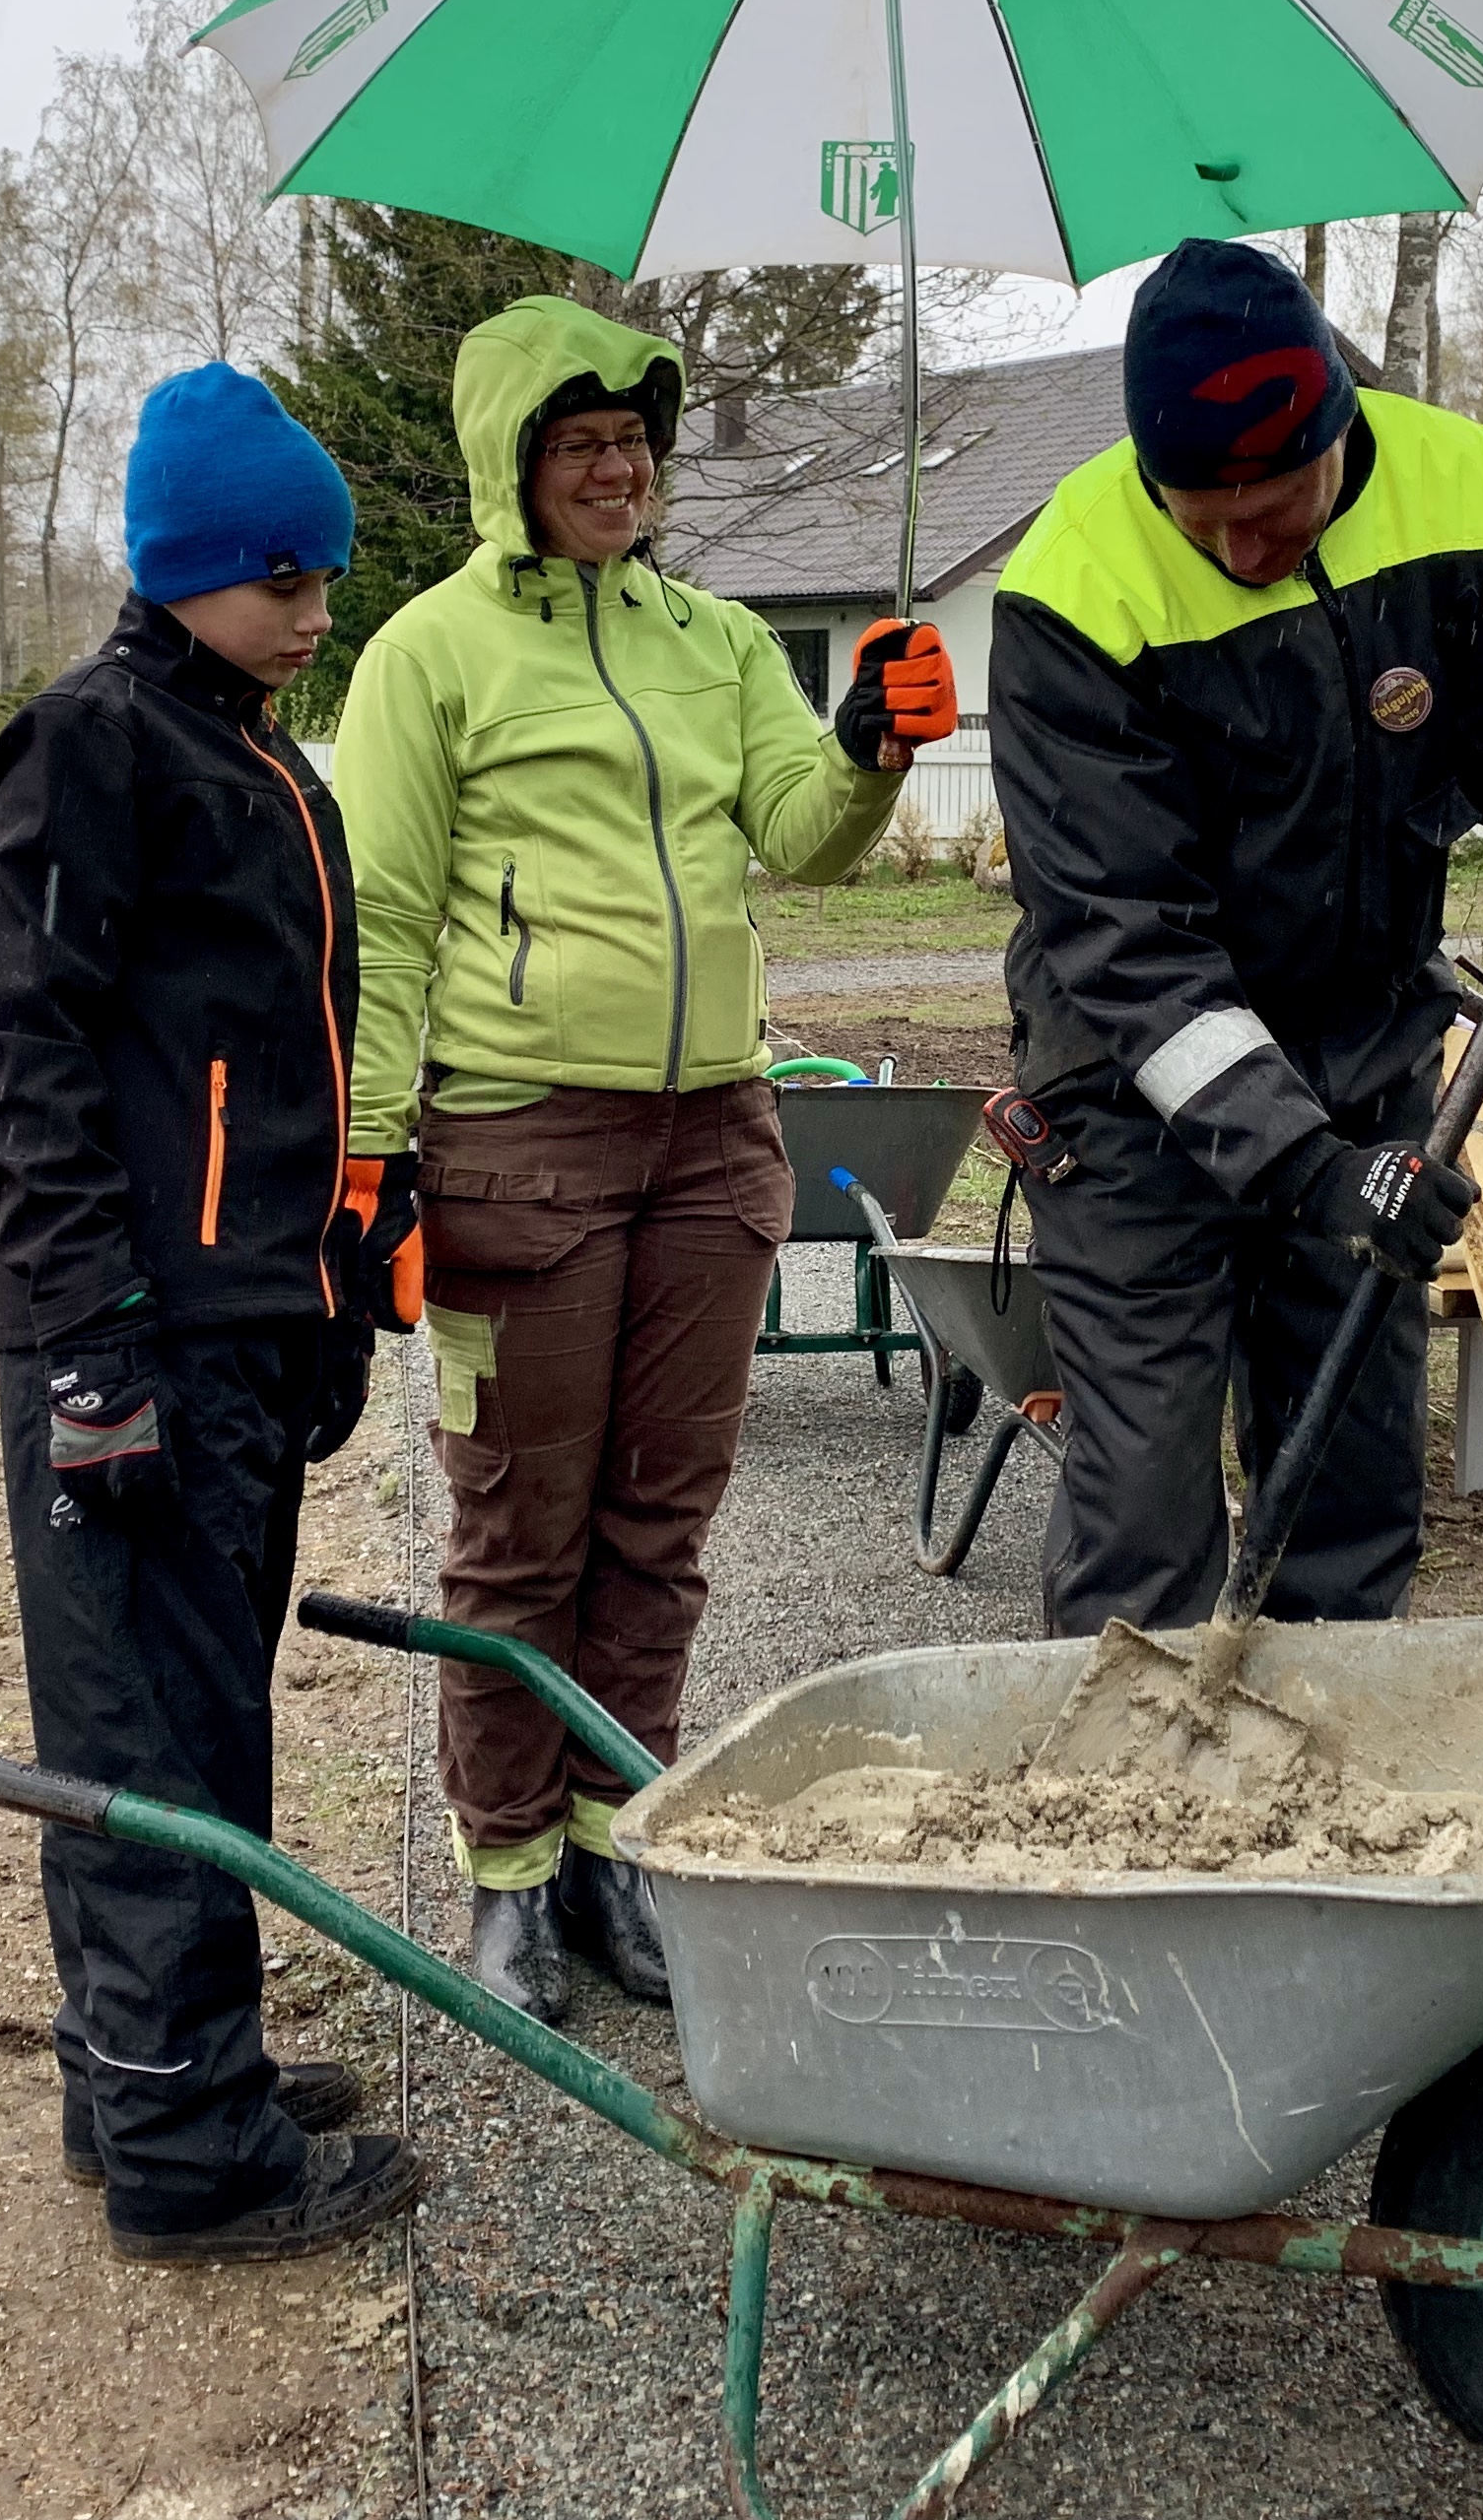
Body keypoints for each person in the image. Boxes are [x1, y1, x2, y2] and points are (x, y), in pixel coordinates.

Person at [333, 296, 953, 2025]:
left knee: (660, 1528)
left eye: (635, 442)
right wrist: (370, 1157)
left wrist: (869, 746)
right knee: (519, 1532)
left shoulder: (720, 642)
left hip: (713, 1138)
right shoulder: (431, 657)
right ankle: (510, 1879)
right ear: (510, 464)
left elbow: (800, 842)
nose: (619, 471)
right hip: (517, 1144)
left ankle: (620, 1845)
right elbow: (382, 919)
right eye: (580, 444)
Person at [986, 239, 1483, 1643]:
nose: (1244, 555)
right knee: (1142, 1511)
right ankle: (1132, 1773)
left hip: (1365, 1051)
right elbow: (1125, 941)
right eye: (1205, 524)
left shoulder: (1465, 487)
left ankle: (1324, 1760)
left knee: (1352, 1486)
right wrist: (1309, 1168)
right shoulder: (1072, 588)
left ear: (1340, 428)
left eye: (1276, 513)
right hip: (1133, 1099)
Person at [0, 362, 425, 2265]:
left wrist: (328, 1296)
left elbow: (276, 1062)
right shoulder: (90, 745)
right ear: (190, 567)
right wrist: (93, 1335)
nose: (315, 614)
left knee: (199, 1717)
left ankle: (148, 2072)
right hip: (133, 1329)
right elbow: (29, 1053)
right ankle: (189, 2157)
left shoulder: (261, 757)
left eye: (325, 580)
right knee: (145, 1732)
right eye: (285, 580)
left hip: (240, 1322)